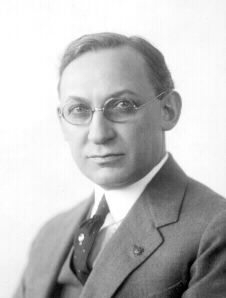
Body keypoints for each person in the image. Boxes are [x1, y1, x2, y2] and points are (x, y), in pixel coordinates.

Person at [13, 32, 226, 298]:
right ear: (62, 123)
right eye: (78, 110)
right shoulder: (50, 234)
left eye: (122, 105)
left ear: (168, 110)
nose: (98, 134)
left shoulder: (215, 231)